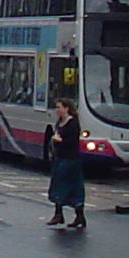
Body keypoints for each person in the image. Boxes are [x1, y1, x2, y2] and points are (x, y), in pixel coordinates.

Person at [45, 97, 87, 230]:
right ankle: (60, 214)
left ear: (66, 108)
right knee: (58, 184)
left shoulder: (73, 123)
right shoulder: (59, 122)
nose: (57, 110)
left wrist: (59, 141)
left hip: (70, 159)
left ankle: (77, 216)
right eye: (56, 107)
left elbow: (72, 143)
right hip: (60, 158)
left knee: (69, 186)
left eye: (59, 107)